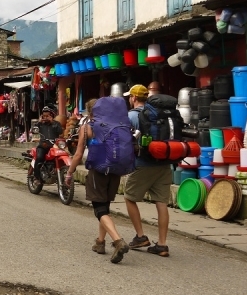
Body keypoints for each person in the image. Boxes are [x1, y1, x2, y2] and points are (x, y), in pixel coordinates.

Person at [65, 99, 130, 264]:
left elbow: (78, 154)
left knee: (99, 210)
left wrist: (69, 173)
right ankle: (100, 242)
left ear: (90, 112)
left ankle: (118, 241)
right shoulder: (118, 125)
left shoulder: (88, 127)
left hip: (98, 172)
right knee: (105, 207)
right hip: (115, 171)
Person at [123, 84, 172, 257]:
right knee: (161, 203)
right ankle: (162, 244)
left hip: (143, 163)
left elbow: (125, 140)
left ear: (134, 98)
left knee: (129, 197)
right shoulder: (161, 114)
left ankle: (140, 236)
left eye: (130, 97)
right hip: (164, 163)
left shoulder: (131, 116)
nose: (129, 99)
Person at [33, 106, 64, 178]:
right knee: (39, 158)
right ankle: (37, 178)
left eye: (47, 116)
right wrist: (39, 122)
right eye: (44, 116)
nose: (45, 117)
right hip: (43, 145)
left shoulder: (56, 123)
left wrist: (52, 122)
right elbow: (33, 130)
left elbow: (60, 132)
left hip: (54, 145)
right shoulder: (40, 124)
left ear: (52, 115)